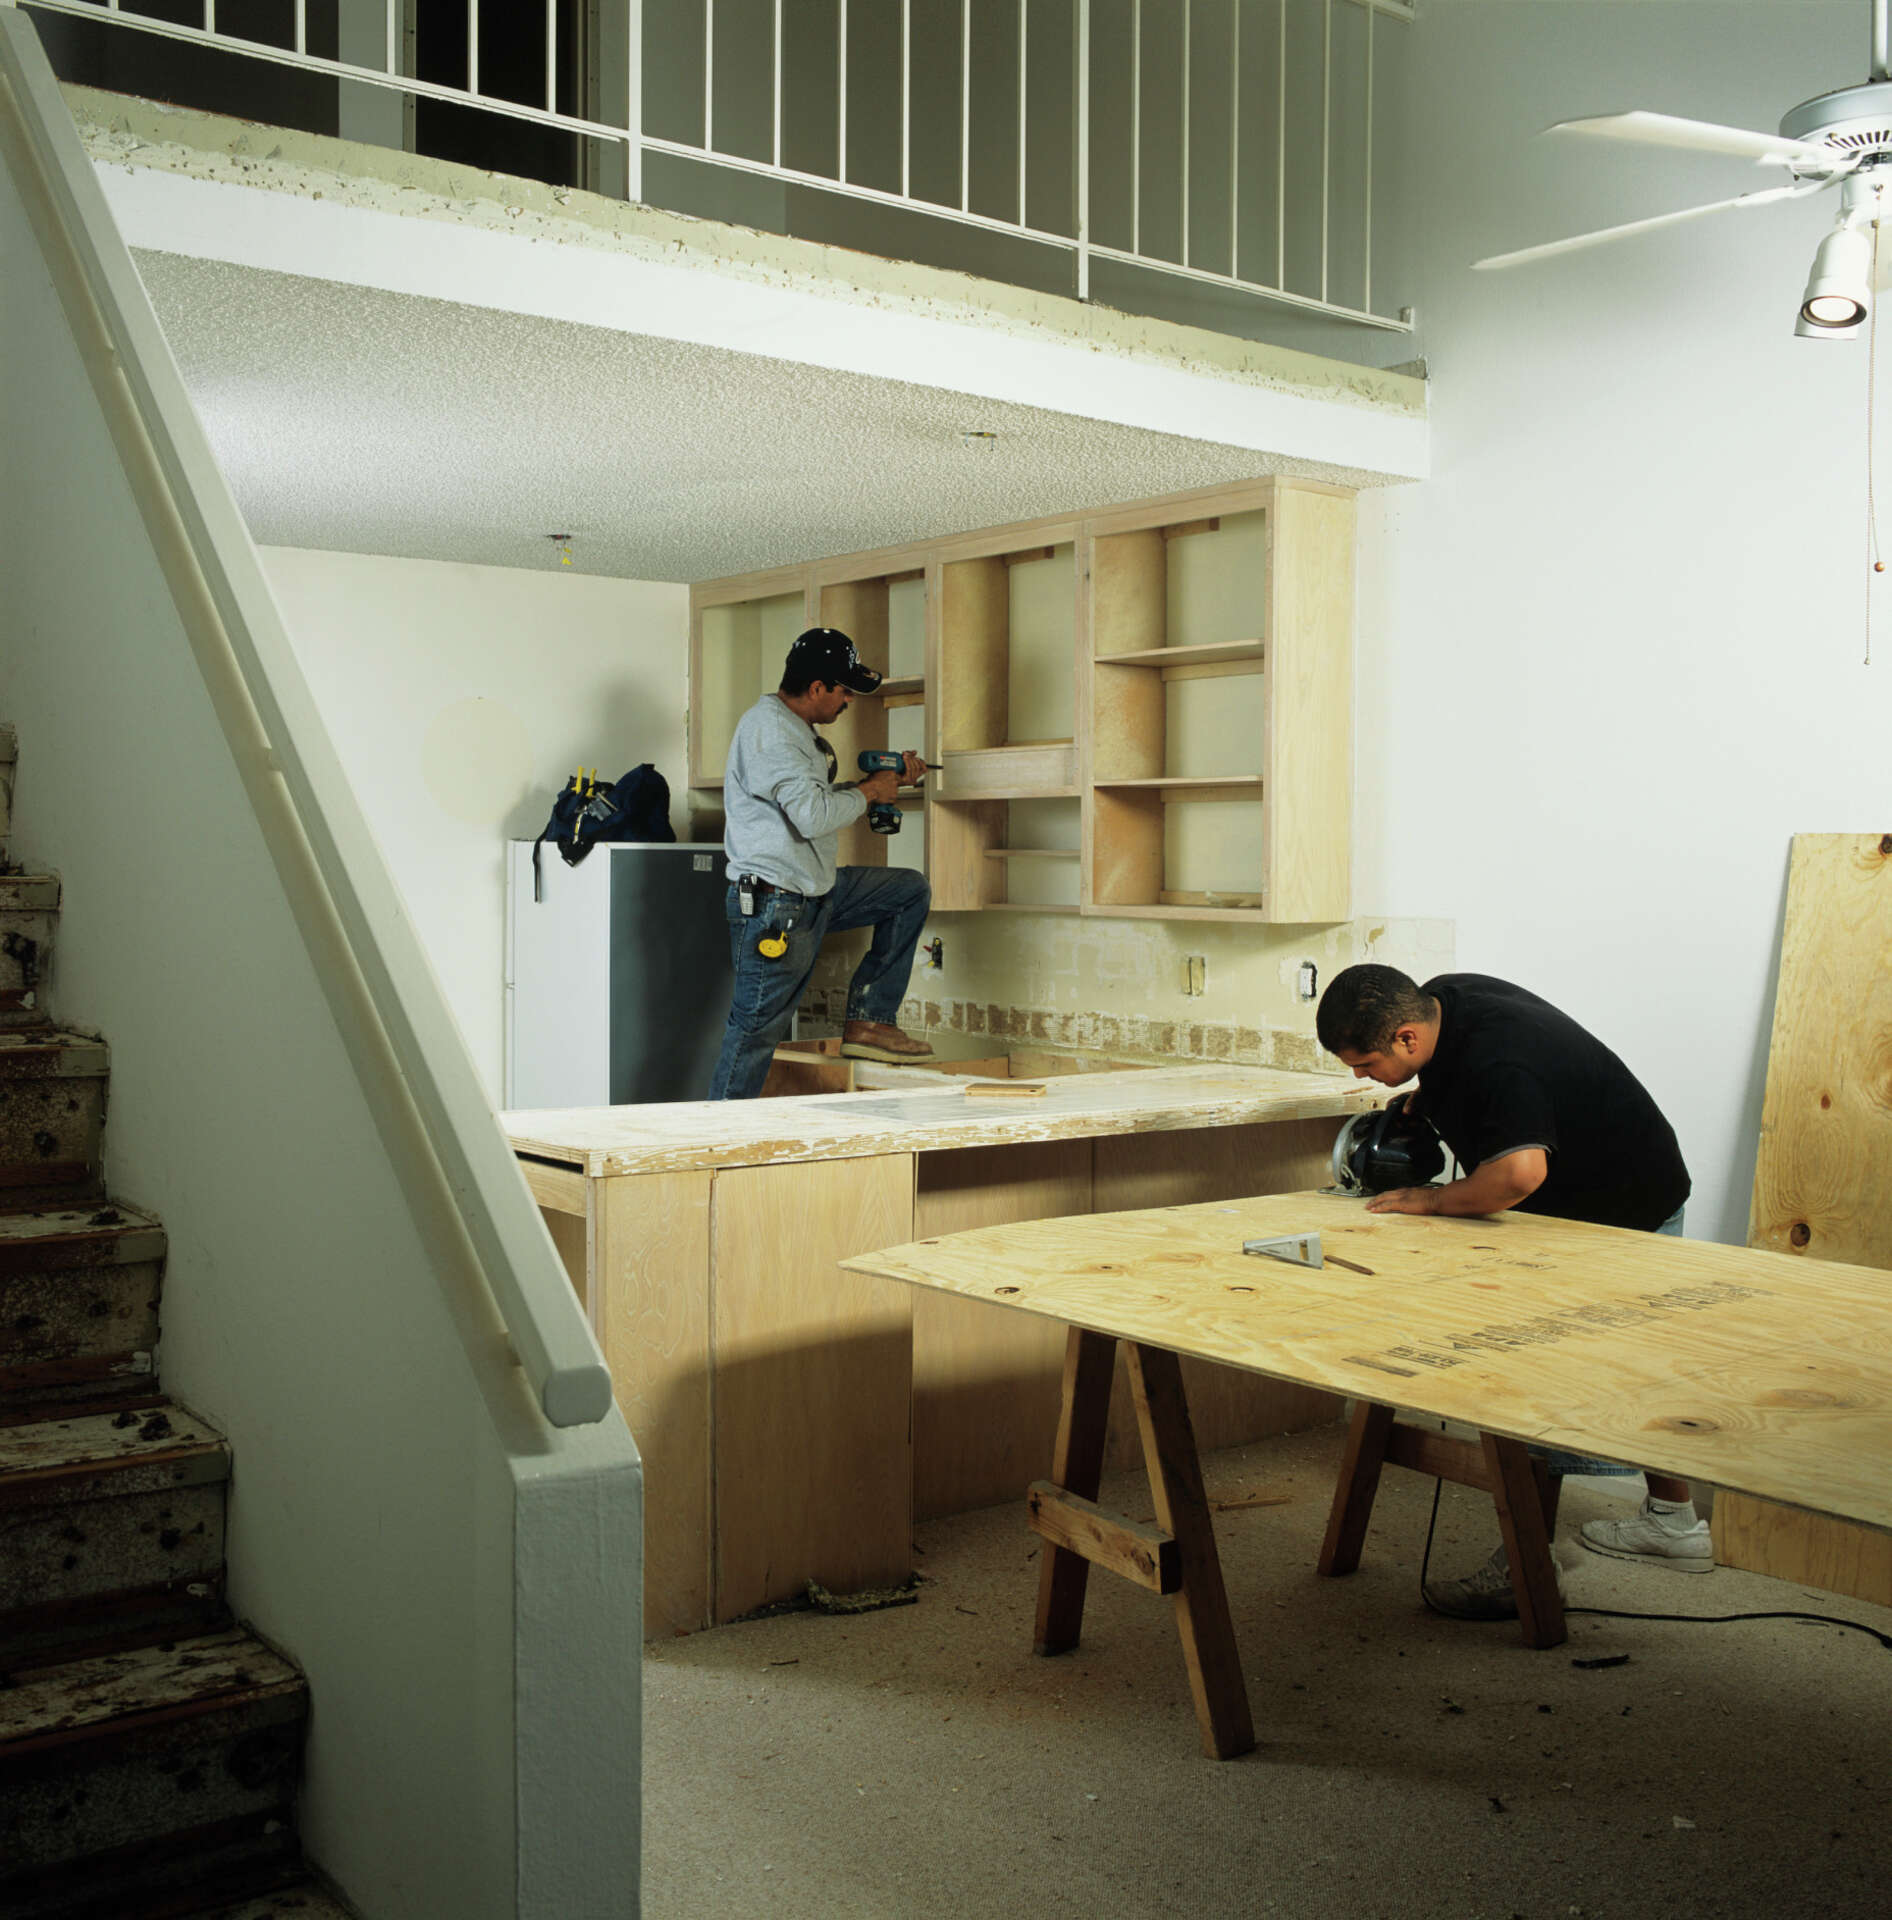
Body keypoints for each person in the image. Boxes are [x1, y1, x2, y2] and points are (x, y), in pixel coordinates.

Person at [1315, 964, 1710, 1620]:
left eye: (1366, 1063)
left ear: (1408, 1038)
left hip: (1622, 1207)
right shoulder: (1448, 999)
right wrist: (1424, 1100)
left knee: (1536, 1381)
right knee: (1633, 1368)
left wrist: (1435, 1200)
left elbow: (1520, 1174)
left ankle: (1524, 1571)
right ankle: (1673, 1523)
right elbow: (1468, 1082)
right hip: (1615, 1181)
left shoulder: (1500, 1062)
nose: (1359, 1077)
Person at [707, 627, 934, 1100]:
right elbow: (811, 817)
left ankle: (870, 1023)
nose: (848, 700)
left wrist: (877, 782)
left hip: (814, 892)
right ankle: (719, 1138)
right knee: (754, 1032)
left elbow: (809, 800)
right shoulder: (771, 733)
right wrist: (872, 791)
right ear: (816, 689)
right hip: (776, 908)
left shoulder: (793, 731)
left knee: (907, 891)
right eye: (844, 690)